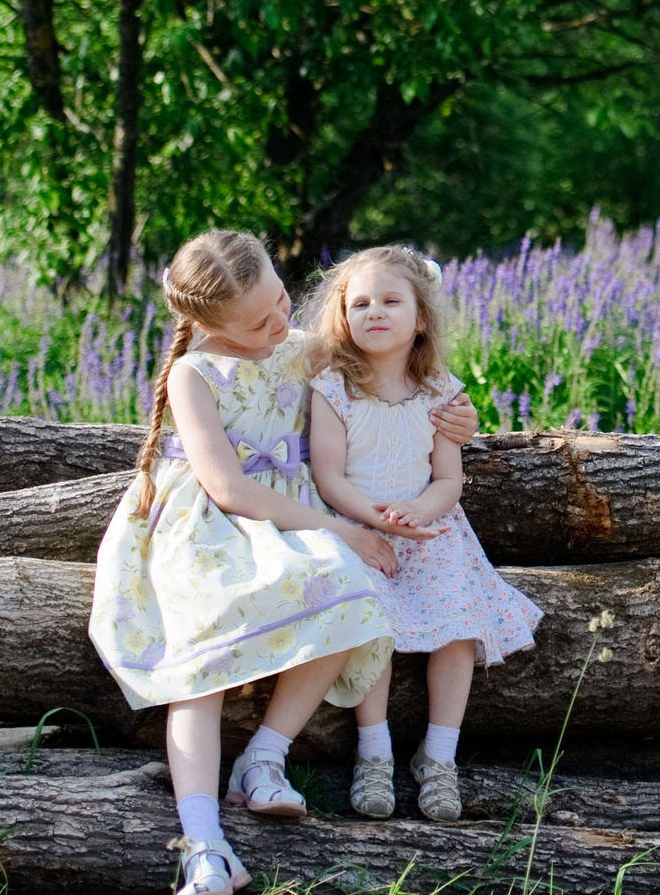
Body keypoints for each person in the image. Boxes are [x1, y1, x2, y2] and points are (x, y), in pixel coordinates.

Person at [85, 230, 471, 895]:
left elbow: (386, 339)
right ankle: (202, 841)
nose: (280, 323)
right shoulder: (192, 373)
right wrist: (340, 529)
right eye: (259, 321)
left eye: (280, 302)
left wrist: (454, 415)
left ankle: (264, 756)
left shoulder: (294, 348)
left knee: (350, 597)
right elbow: (229, 489)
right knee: (198, 664)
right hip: (208, 527)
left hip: (289, 525)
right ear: (205, 323)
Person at [306, 244, 542, 822]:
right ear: (343, 317)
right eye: (360, 303)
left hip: (431, 529)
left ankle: (438, 757)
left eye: (391, 300)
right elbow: (328, 476)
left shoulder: (440, 391)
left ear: (421, 318)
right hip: (361, 528)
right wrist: (376, 517)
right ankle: (375, 752)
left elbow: (447, 479)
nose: (375, 312)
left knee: (458, 629)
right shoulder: (334, 387)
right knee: (372, 627)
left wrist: (418, 512)